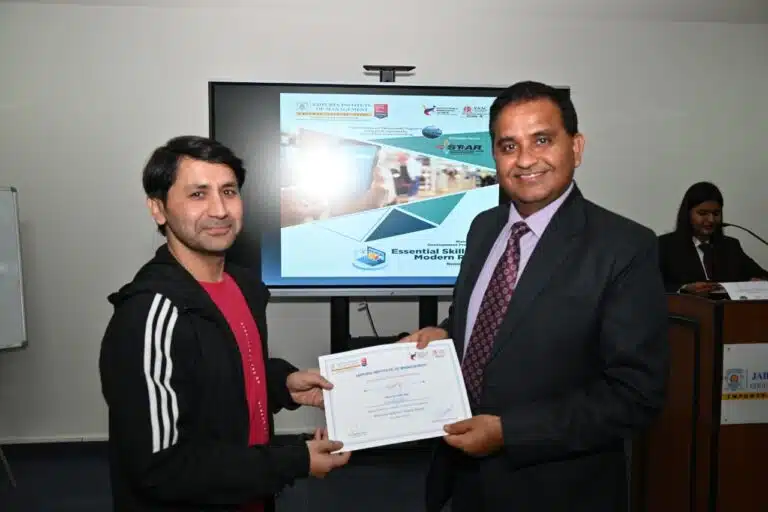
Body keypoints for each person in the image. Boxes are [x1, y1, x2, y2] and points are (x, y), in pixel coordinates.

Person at [401, 81, 669, 512]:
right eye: (509, 146)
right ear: (494, 156)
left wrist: (509, 433)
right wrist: (445, 335)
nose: (525, 160)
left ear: (576, 148)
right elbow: (491, 323)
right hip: (464, 480)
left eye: (542, 140)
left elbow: (635, 394)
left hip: (557, 489)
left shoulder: (625, 247)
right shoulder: (483, 228)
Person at [99, 136, 350, 512]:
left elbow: (218, 375)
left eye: (228, 192)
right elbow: (160, 469)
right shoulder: (150, 313)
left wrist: (281, 384)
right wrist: (294, 460)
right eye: (198, 194)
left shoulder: (243, 286)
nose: (219, 210)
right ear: (158, 209)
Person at [657, 181, 768, 294]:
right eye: (702, 213)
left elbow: (761, 275)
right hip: (685, 305)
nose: (711, 220)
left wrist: (758, 283)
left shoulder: (730, 246)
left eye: (716, 213)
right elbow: (652, 285)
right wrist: (684, 288)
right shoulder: (664, 245)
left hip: (726, 305)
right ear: (687, 214)